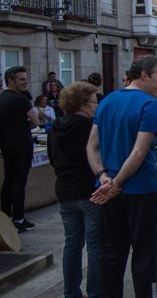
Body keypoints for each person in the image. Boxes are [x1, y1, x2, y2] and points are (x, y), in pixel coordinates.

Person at [86, 55, 157, 297]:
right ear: (144, 75)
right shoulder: (150, 104)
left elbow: (91, 146)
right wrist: (116, 183)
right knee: (147, 256)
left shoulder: (107, 100)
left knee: (112, 253)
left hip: (109, 191)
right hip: (141, 189)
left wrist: (103, 177)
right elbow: (140, 151)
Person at [47, 81, 102, 298]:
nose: (96, 106)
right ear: (83, 105)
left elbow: (53, 159)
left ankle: (71, 292)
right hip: (89, 190)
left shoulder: (55, 129)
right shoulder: (90, 128)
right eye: (94, 102)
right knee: (95, 245)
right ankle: (95, 291)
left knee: (72, 244)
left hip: (65, 190)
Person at [0, 66, 39, 232]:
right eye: (21, 79)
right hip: (22, 145)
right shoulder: (21, 99)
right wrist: (25, 125)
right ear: (11, 81)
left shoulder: (1, 98)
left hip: (6, 144)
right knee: (19, 182)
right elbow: (35, 121)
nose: (25, 82)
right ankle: (19, 219)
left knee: (8, 180)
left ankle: (5, 216)